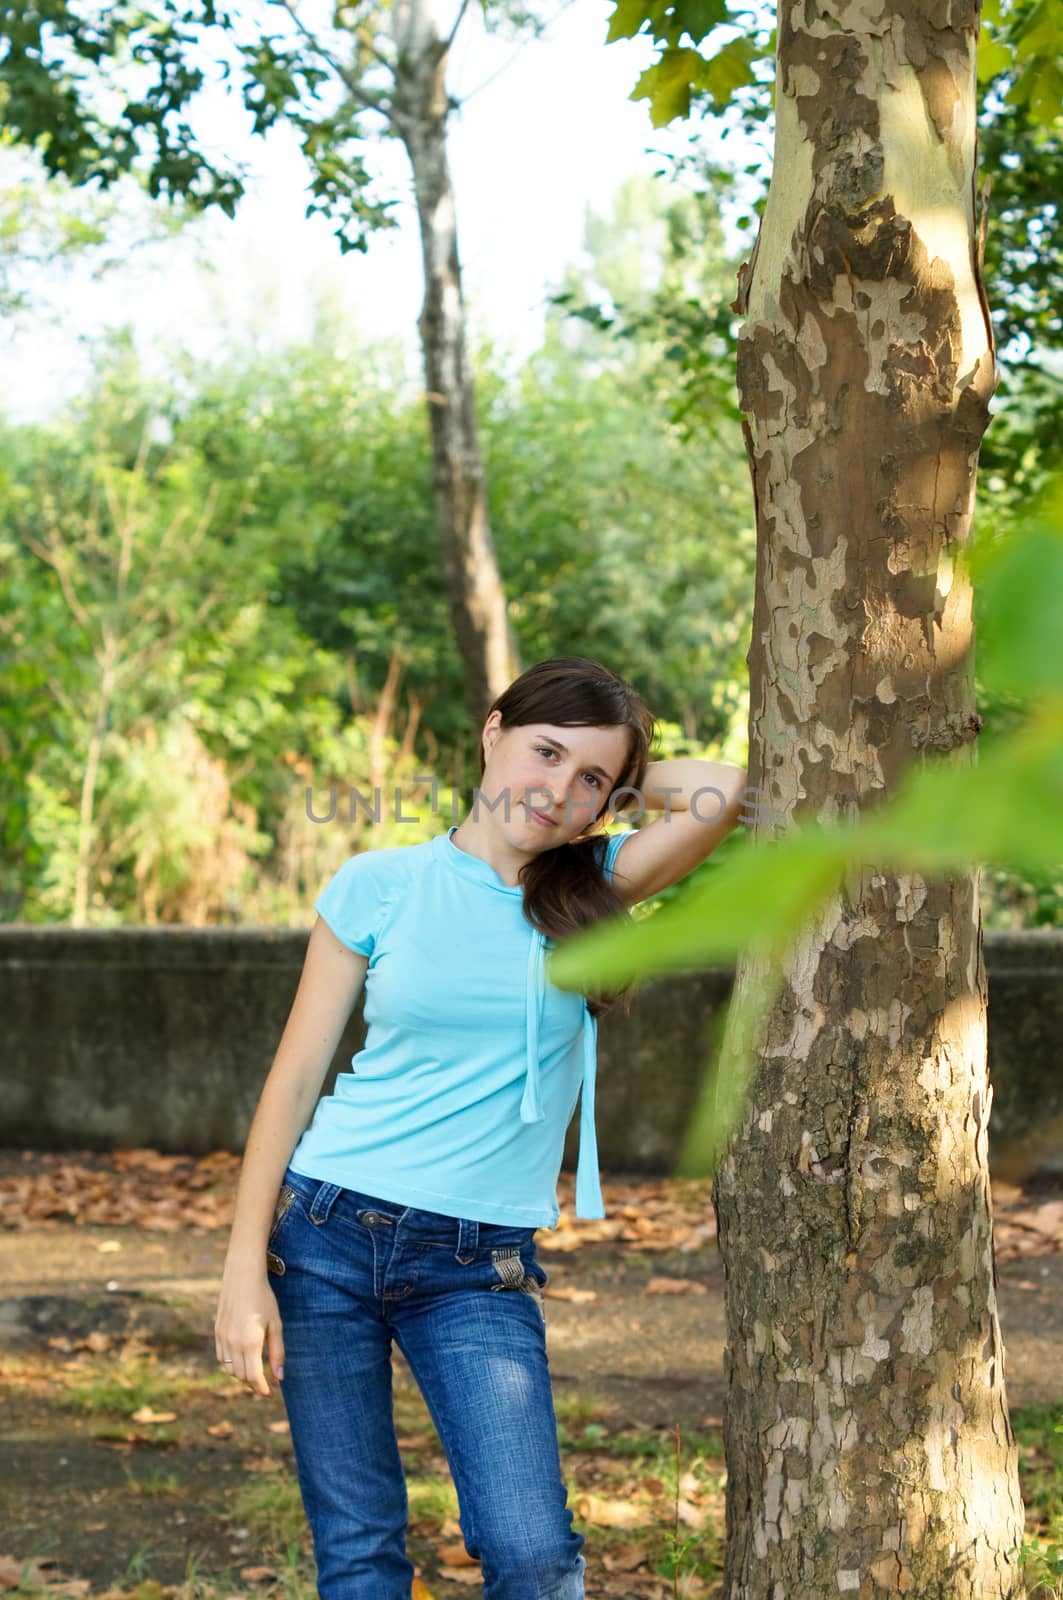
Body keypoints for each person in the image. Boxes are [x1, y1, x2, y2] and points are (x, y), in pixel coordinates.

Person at [213, 654, 745, 1598]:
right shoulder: (379, 883)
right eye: (543, 751)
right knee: (360, 1550)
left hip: (475, 1266)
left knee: (532, 1553)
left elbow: (728, 790)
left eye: (590, 779)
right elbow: (293, 1084)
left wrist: (616, 782)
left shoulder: (598, 890)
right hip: (323, 1235)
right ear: (490, 731)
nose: (557, 791)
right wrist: (240, 1270)